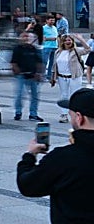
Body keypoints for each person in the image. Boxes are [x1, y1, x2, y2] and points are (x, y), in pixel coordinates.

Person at [17, 88, 94, 221]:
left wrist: (29, 156)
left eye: (71, 116)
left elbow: (28, 186)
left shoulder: (63, 158)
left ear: (79, 118)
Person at [51, 33, 89, 122]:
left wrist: (81, 39)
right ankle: (64, 114)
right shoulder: (58, 52)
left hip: (74, 76)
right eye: (66, 40)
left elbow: (88, 49)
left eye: (70, 40)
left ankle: (76, 114)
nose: (68, 42)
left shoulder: (76, 51)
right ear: (62, 42)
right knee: (64, 95)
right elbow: (54, 65)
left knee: (74, 95)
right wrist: (53, 77)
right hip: (62, 77)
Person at [13, 31, 45, 122]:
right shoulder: (17, 49)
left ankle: (33, 114)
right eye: (24, 37)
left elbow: (39, 62)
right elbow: (14, 62)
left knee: (35, 96)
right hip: (21, 75)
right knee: (19, 94)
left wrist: (39, 73)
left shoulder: (34, 49)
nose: (26, 39)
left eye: (28, 37)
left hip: (33, 75)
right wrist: (16, 71)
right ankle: (18, 112)